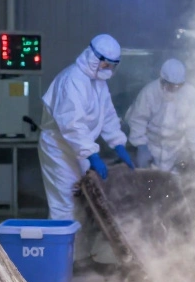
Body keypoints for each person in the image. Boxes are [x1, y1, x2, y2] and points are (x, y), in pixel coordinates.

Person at [38, 34, 134, 221]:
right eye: (106, 64)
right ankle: (61, 249)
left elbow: (107, 115)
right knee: (65, 204)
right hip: (59, 148)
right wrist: (92, 155)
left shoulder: (98, 82)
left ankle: (79, 248)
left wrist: (118, 144)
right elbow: (72, 124)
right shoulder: (72, 79)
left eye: (112, 66)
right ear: (92, 57)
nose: (108, 69)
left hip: (80, 149)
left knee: (84, 200)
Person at [124, 58, 195, 173]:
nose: (174, 89)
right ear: (162, 80)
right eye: (170, 85)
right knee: (150, 184)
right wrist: (141, 145)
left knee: (174, 186)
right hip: (151, 149)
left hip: (177, 151)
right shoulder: (149, 92)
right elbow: (138, 120)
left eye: (178, 86)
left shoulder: (189, 93)